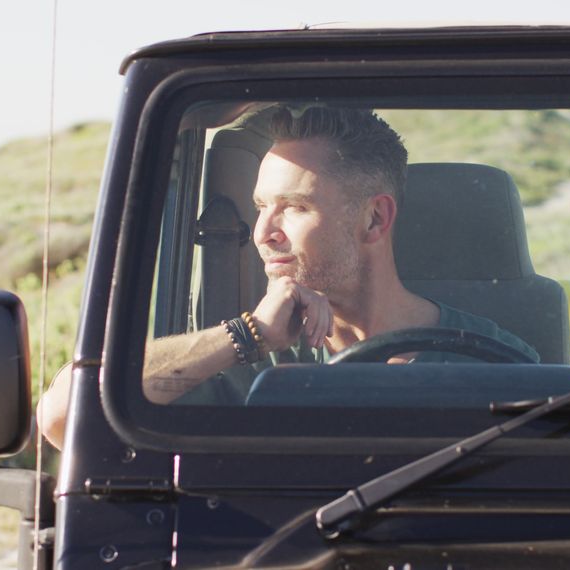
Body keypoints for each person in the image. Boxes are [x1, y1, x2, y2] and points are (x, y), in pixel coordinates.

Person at [37, 106, 538, 448]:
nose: (262, 234)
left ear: (374, 220)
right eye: (261, 208)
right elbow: (63, 418)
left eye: (294, 207)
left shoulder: (494, 358)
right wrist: (246, 336)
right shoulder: (246, 361)